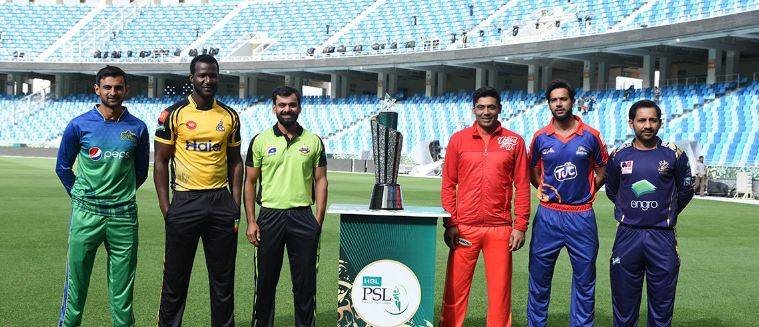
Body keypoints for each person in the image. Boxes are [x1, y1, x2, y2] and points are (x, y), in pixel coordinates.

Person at [55, 65, 150, 327]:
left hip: (123, 216)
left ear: (126, 90)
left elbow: (140, 172)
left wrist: (120, 194)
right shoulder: (79, 125)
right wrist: (79, 196)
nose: (113, 92)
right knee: (76, 283)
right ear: (97, 89)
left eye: (118, 87)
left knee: (123, 289)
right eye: (107, 87)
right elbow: (62, 167)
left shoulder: (138, 128)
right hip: (87, 214)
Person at [154, 54, 243, 327]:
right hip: (185, 200)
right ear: (191, 78)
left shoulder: (229, 115)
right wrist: (166, 207)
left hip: (220, 203)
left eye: (213, 75)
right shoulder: (174, 113)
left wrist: (234, 204)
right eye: (202, 75)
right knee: (175, 279)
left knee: (223, 281)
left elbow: (236, 161)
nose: (208, 80)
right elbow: (159, 161)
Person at [440, 86, 531, 327]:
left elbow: (522, 186)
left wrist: (520, 225)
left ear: (499, 109)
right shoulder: (459, 140)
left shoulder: (514, 141)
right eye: (481, 107)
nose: (486, 112)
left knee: (500, 294)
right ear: (474, 110)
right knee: (454, 292)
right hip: (464, 228)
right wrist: (451, 223)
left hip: (500, 229)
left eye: (491, 107)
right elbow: (449, 184)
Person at [527, 79, 608, 327]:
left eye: (563, 99)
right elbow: (533, 173)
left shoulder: (591, 136)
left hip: (581, 216)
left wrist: (588, 192)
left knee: (585, 281)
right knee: (539, 279)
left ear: (572, 101)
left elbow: (602, 170)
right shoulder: (540, 137)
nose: (558, 103)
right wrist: (547, 191)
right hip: (548, 215)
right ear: (549, 104)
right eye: (554, 100)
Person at [245, 86, 328, 327]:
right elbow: (249, 182)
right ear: (274, 109)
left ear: (299, 108)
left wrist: (317, 220)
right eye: (282, 105)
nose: (287, 109)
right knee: (265, 283)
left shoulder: (313, 141)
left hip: (302, 216)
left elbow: (321, 180)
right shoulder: (260, 140)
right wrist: (251, 220)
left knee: (304, 285)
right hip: (269, 216)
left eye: (292, 105)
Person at [605, 100, 694, 326]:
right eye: (642, 120)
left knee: (662, 308)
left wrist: (665, 213)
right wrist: (631, 212)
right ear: (631, 123)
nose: (647, 125)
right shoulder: (618, 155)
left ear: (660, 123)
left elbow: (685, 190)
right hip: (627, 236)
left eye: (652, 120)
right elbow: (612, 190)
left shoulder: (675, 154)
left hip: (661, 237)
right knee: (624, 306)